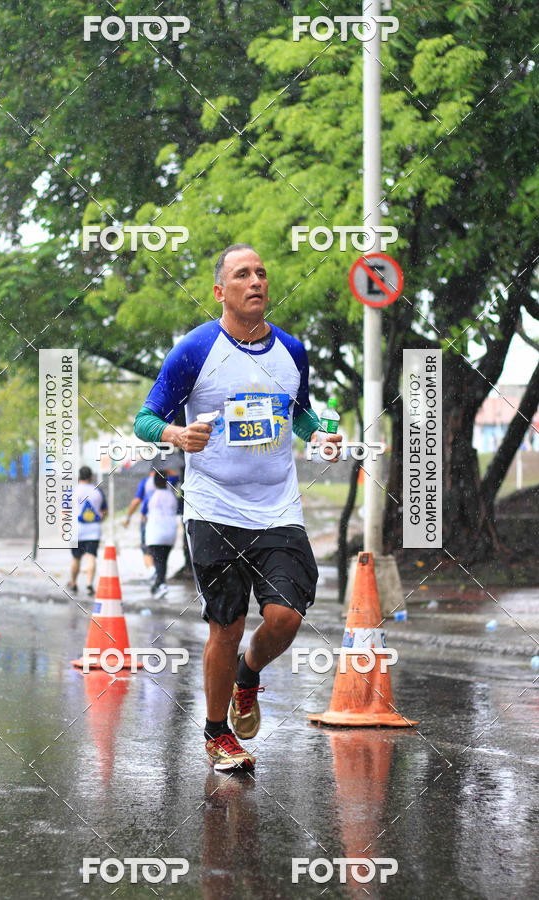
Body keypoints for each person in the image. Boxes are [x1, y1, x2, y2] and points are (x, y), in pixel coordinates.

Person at [134, 243, 343, 771]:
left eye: (262, 273)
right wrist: (177, 434)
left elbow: (300, 416)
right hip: (213, 509)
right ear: (220, 291)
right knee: (225, 625)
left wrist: (319, 435)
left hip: (278, 509)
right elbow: (145, 420)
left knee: (287, 616)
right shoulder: (195, 350)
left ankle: (248, 675)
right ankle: (216, 734)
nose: (255, 282)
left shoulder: (292, 351)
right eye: (242, 274)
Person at [123, 469, 180, 579]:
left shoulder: (145, 483)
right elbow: (177, 476)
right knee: (162, 556)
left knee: (148, 549)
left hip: (151, 524)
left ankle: (153, 571)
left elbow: (138, 502)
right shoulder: (169, 483)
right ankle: (159, 577)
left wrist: (128, 517)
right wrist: (167, 471)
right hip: (169, 526)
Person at [67, 466, 107, 596]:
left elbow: (64, 512)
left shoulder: (72, 491)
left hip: (76, 530)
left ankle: (73, 583)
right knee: (91, 557)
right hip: (93, 530)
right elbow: (104, 511)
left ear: (79, 476)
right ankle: (89, 584)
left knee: (76, 558)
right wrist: (99, 518)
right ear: (91, 477)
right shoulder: (98, 491)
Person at [145, 470, 179, 598]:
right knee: (163, 560)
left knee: (158, 560)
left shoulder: (151, 495)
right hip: (170, 532)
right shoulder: (172, 496)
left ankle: (161, 585)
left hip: (155, 533)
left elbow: (143, 511)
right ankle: (159, 584)